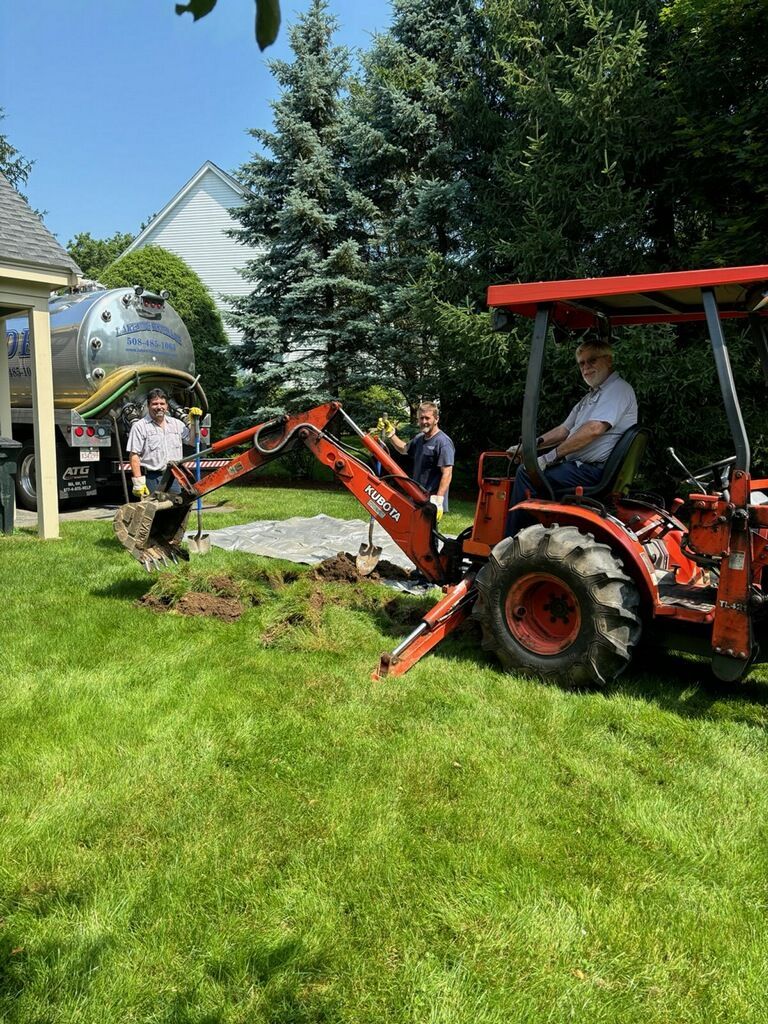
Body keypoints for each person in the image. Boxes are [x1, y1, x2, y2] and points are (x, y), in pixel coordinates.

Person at [506, 339, 637, 534]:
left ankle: (512, 541)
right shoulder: (591, 396)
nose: (586, 367)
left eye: (592, 360)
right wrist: (529, 448)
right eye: (582, 363)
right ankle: (535, 535)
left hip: (592, 472)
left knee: (526, 473)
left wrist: (549, 458)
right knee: (532, 469)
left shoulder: (617, 390)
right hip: (582, 469)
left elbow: (594, 429)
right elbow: (564, 430)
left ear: (608, 360)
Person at [377, 401, 455, 522]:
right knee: (413, 534)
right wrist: (391, 434)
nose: (424, 422)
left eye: (427, 418)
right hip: (417, 497)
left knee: (425, 537)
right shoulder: (419, 438)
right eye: (421, 418)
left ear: (436, 419)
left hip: (431, 502)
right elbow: (404, 449)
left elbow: (447, 473)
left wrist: (438, 501)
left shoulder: (443, 442)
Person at [126, 388, 202, 498]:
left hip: (175, 477)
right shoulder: (139, 426)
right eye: (155, 404)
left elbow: (192, 442)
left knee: (176, 510)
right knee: (155, 513)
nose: (159, 407)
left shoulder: (177, 424)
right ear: (148, 405)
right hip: (153, 478)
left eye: (162, 403)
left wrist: (194, 422)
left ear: (167, 406)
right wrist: (138, 483)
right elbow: (134, 455)